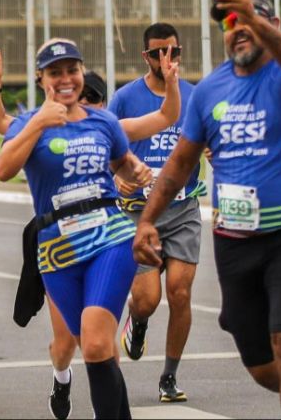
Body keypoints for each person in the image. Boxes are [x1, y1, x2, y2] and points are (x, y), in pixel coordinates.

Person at [134, 0, 281, 420]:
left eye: (249, 19)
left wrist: (253, 16)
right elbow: (179, 164)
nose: (238, 28)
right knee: (264, 368)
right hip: (235, 241)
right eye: (230, 22)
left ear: (272, 24)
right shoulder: (207, 91)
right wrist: (146, 221)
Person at [0, 38, 152, 420]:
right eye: (55, 72)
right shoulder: (28, 123)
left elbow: (123, 162)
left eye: (72, 70)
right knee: (97, 351)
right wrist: (38, 123)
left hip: (109, 237)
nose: (65, 79)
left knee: (98, 342)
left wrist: (136, 170)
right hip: (57, 249)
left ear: (81, 73)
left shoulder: (104, 121)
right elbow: (3, 170)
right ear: (40, 78)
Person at [109, 22, 200, 404]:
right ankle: (139, 320)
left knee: (180, 293)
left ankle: (169, 375)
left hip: (183, 208)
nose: (167, 59)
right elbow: (106, 145)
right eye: (159, 52)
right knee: (147, 299)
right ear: (145, 56)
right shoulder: (126, 98)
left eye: (174, 52)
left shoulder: (196, 97)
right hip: (138, 214)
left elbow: (211, 140)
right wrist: (116, 178)